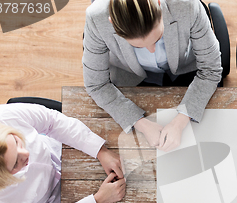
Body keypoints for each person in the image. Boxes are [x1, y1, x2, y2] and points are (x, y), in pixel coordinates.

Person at [83, 0, 222, 151]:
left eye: (157, 39)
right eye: (137, 46)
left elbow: (210, 69)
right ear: (112, 23)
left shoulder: (186, 4)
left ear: (159, 4)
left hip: (184, 68)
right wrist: (141, 123)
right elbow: (96, 85)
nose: (151, 51)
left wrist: (180, 121)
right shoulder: (96, 17)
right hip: (131, 77)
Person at [0, 102, 126, 203]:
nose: (26, 153)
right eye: (15, 163)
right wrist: (99, 200)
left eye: (17, 142)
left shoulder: (2, 116)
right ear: (2, 178)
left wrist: (100, 151)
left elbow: (51, 121)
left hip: (59, 149)